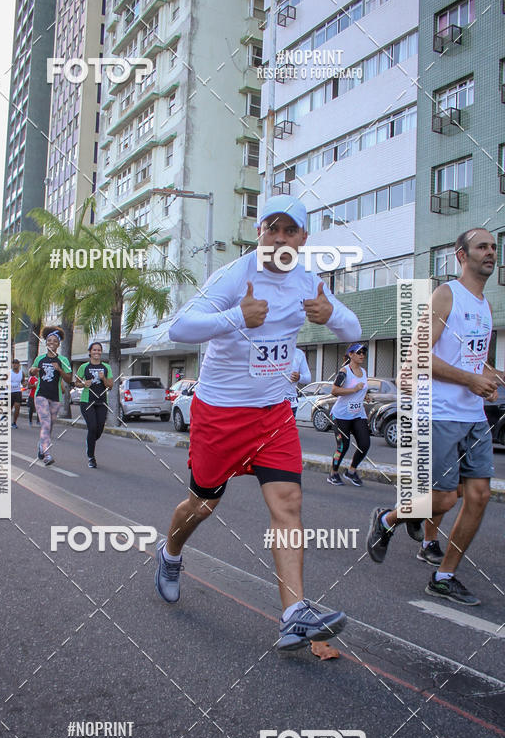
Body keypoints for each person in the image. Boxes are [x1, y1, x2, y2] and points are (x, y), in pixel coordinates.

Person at [154, 195, 362, 651]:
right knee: (202, 506)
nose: (280, 238)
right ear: (260, 233)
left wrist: (333, 316)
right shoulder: (236, 275)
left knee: (287, 503)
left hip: (273, 414)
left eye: (291, 231)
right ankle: (170, 554)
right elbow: (179, 328)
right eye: (273, 228)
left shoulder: (310, 281)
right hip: (220, 414)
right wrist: (236, 318)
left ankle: (293, 614)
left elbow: (352, 330)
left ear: (303, 239)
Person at [367, 228, 499, 605]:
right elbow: (417, 358)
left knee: (479, 495)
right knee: (441, 502)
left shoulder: (484, 305)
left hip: (474, 416)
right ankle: (387, 520)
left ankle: (444, 575)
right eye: (482, 247)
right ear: (462, 255)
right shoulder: (446, 296)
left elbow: (469, 357)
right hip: (441, 415)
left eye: (493, 247)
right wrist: (471, 378)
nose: (491, 252)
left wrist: (488, 375)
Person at [327, 343, 371, 487]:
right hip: (341, 415)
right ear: (351, 355)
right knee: (343, 446)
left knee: (364, 444)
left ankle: (351, 472)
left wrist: (365, 396)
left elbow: (361, 389)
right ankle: (333, 473)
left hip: (358, 414)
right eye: (359, 352)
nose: (362, 355)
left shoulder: (364, 372)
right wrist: (353, 390)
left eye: (364, 352)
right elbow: (334, 390)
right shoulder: (344, 371)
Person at [29, 327, 72, 466]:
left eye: (55, 341)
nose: (52, 342)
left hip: (56, 396)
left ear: (58, 344)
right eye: (49, 340)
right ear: (46, 343)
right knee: (46, 424)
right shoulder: (40, 359)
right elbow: (31, 371)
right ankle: (47, 454)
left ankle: (41, 445)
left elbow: (69, 379)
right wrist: (33, 370)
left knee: (50, 426)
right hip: (40, 394)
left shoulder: (63, 360)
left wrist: (59, 369)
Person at [74, 342, 113, 468]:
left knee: (99, 429)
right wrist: (84, 383)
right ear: (90, 352)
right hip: (87, 401)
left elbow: (110, 386)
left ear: (101, 352)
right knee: (92, 427)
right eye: (94, 350)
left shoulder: (106, 367)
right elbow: (77, 383)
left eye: (99, 350)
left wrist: (103, 379)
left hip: (101, 402)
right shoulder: (84, 367)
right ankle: (91, 457)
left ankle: (90, 442)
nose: (97, 352)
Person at [285, 347, 311, 418]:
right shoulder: (270, 349)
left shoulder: (298, 353)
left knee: (288, 429)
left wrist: (299, 377)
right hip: (271, 401)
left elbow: (308, 378)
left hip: (290, 402)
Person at [10, 359, 25, 429]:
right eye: (13, 363)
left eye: (16, 363)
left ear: (19, 365)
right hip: (9, 392)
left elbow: (23, 382)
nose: (14, 365)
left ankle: (14, 422)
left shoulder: (22, 373)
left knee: (17, 407)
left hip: (18, 391)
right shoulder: (8, 373)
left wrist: (26, 384)